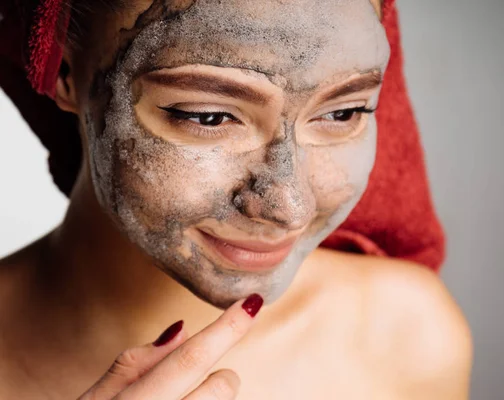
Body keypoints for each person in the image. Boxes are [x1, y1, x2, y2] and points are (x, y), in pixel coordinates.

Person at [0, 0, 473, 398]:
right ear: (61, 69)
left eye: (344, 111)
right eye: (207, 117)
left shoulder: (405, 335)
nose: (289, 206)